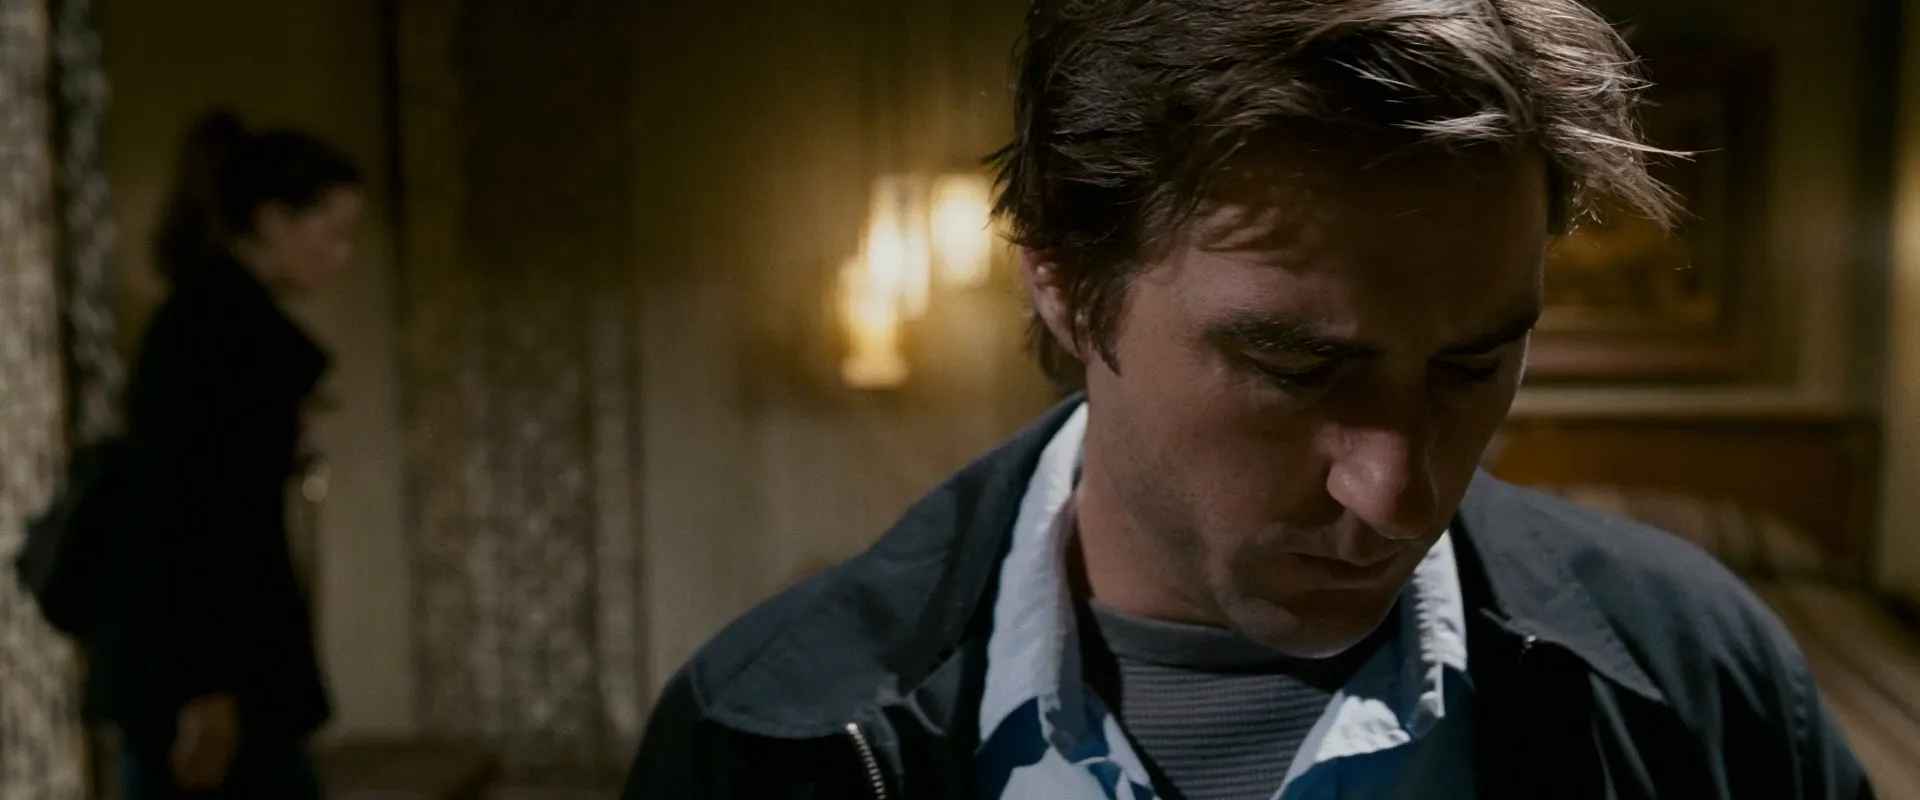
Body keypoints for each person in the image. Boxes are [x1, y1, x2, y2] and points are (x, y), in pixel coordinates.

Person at [623, 0, 1872, 797]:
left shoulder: (1703, 675)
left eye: (1471, 366)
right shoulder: (762, 733)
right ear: (1065, 285)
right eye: (1296, 367)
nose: (1397, 493)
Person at [86, 110, 363, 800]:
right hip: (206, 677)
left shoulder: (219, 326)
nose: (343, 256)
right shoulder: (218, 335)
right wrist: (206, 688)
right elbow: (190, 519)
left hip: (216, 668)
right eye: (332, 233)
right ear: (273, 222)